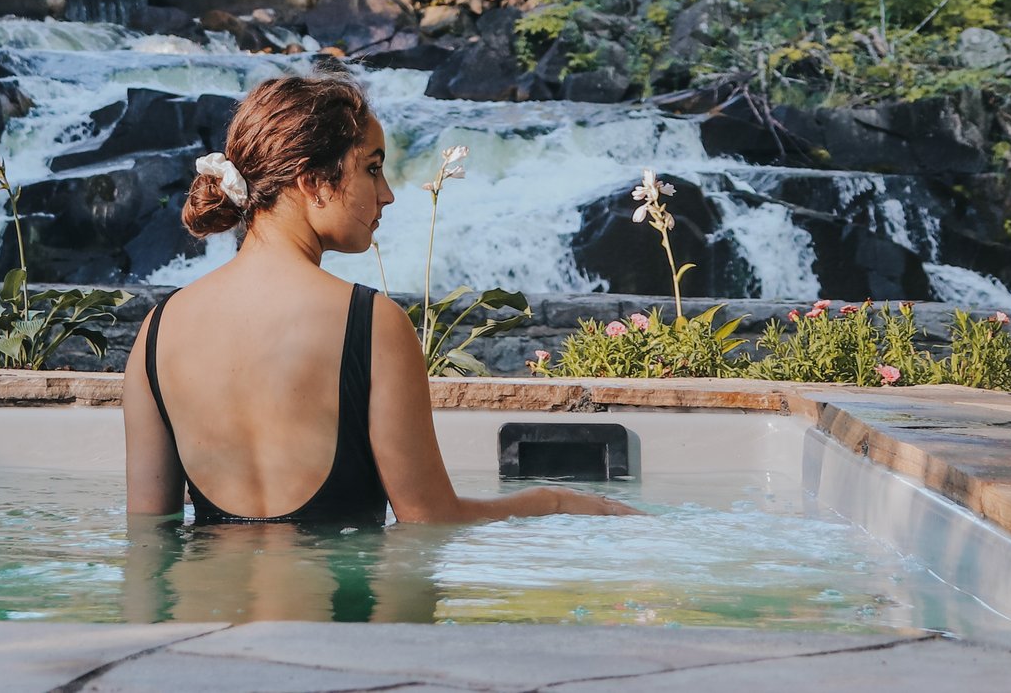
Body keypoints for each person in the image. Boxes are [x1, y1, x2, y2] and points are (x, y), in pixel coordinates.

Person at [124, 68, 635, 525]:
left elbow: (148, 539)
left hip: (211, 626)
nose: (387, 193)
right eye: (372, 167)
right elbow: (431, 521)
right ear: (313, 181)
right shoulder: (370, 323)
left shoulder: (157, 331)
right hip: (338, 630)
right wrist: (555, 502)